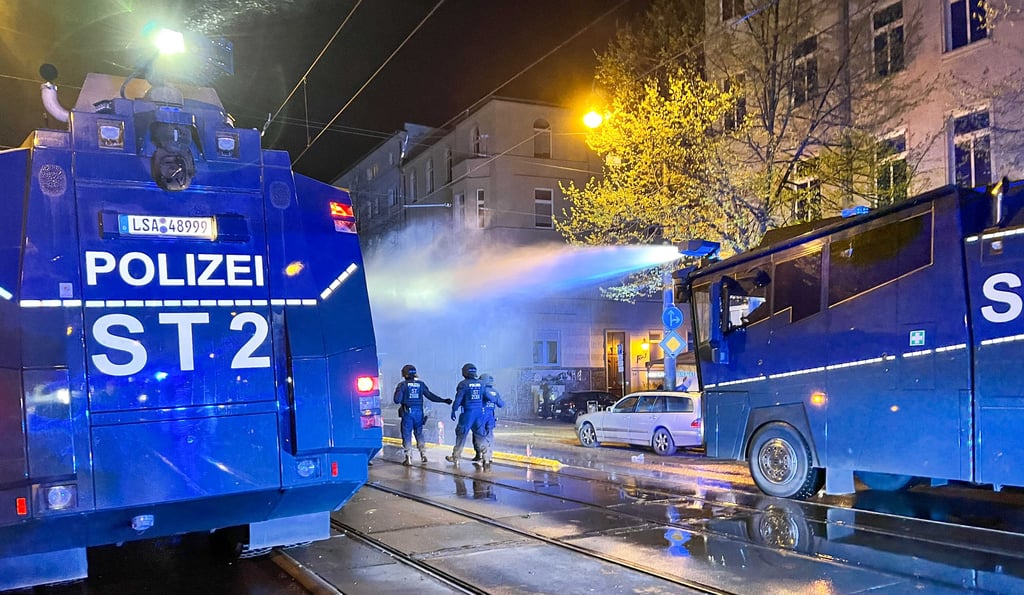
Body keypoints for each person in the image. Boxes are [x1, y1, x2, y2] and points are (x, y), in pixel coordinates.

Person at [393, 364, 452, 466]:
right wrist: (443, 400)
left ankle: (408, 458)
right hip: (419, 413)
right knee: (419, 433)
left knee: (407, 434)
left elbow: (397, 400)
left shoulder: (402, 385)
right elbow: (430, 396)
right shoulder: (421, 384)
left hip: (408, 412)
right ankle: (423, 454)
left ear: (404, 374)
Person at [446, 363, 486, 467]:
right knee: (480, 435)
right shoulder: (481, 384)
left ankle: (456, 457)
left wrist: (454, 410)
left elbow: (458, 399)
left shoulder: (463, 384)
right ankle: (483, 456)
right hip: (479, 413)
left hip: (468, 413)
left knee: (461, 434)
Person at [471, 373, 504, 469]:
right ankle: (488, 457)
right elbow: (501, 404)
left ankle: (480, 455)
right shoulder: (495, 391)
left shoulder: (480, 390)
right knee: (489, 436)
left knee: (478, 436)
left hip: (481, 416)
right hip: (491, 417)